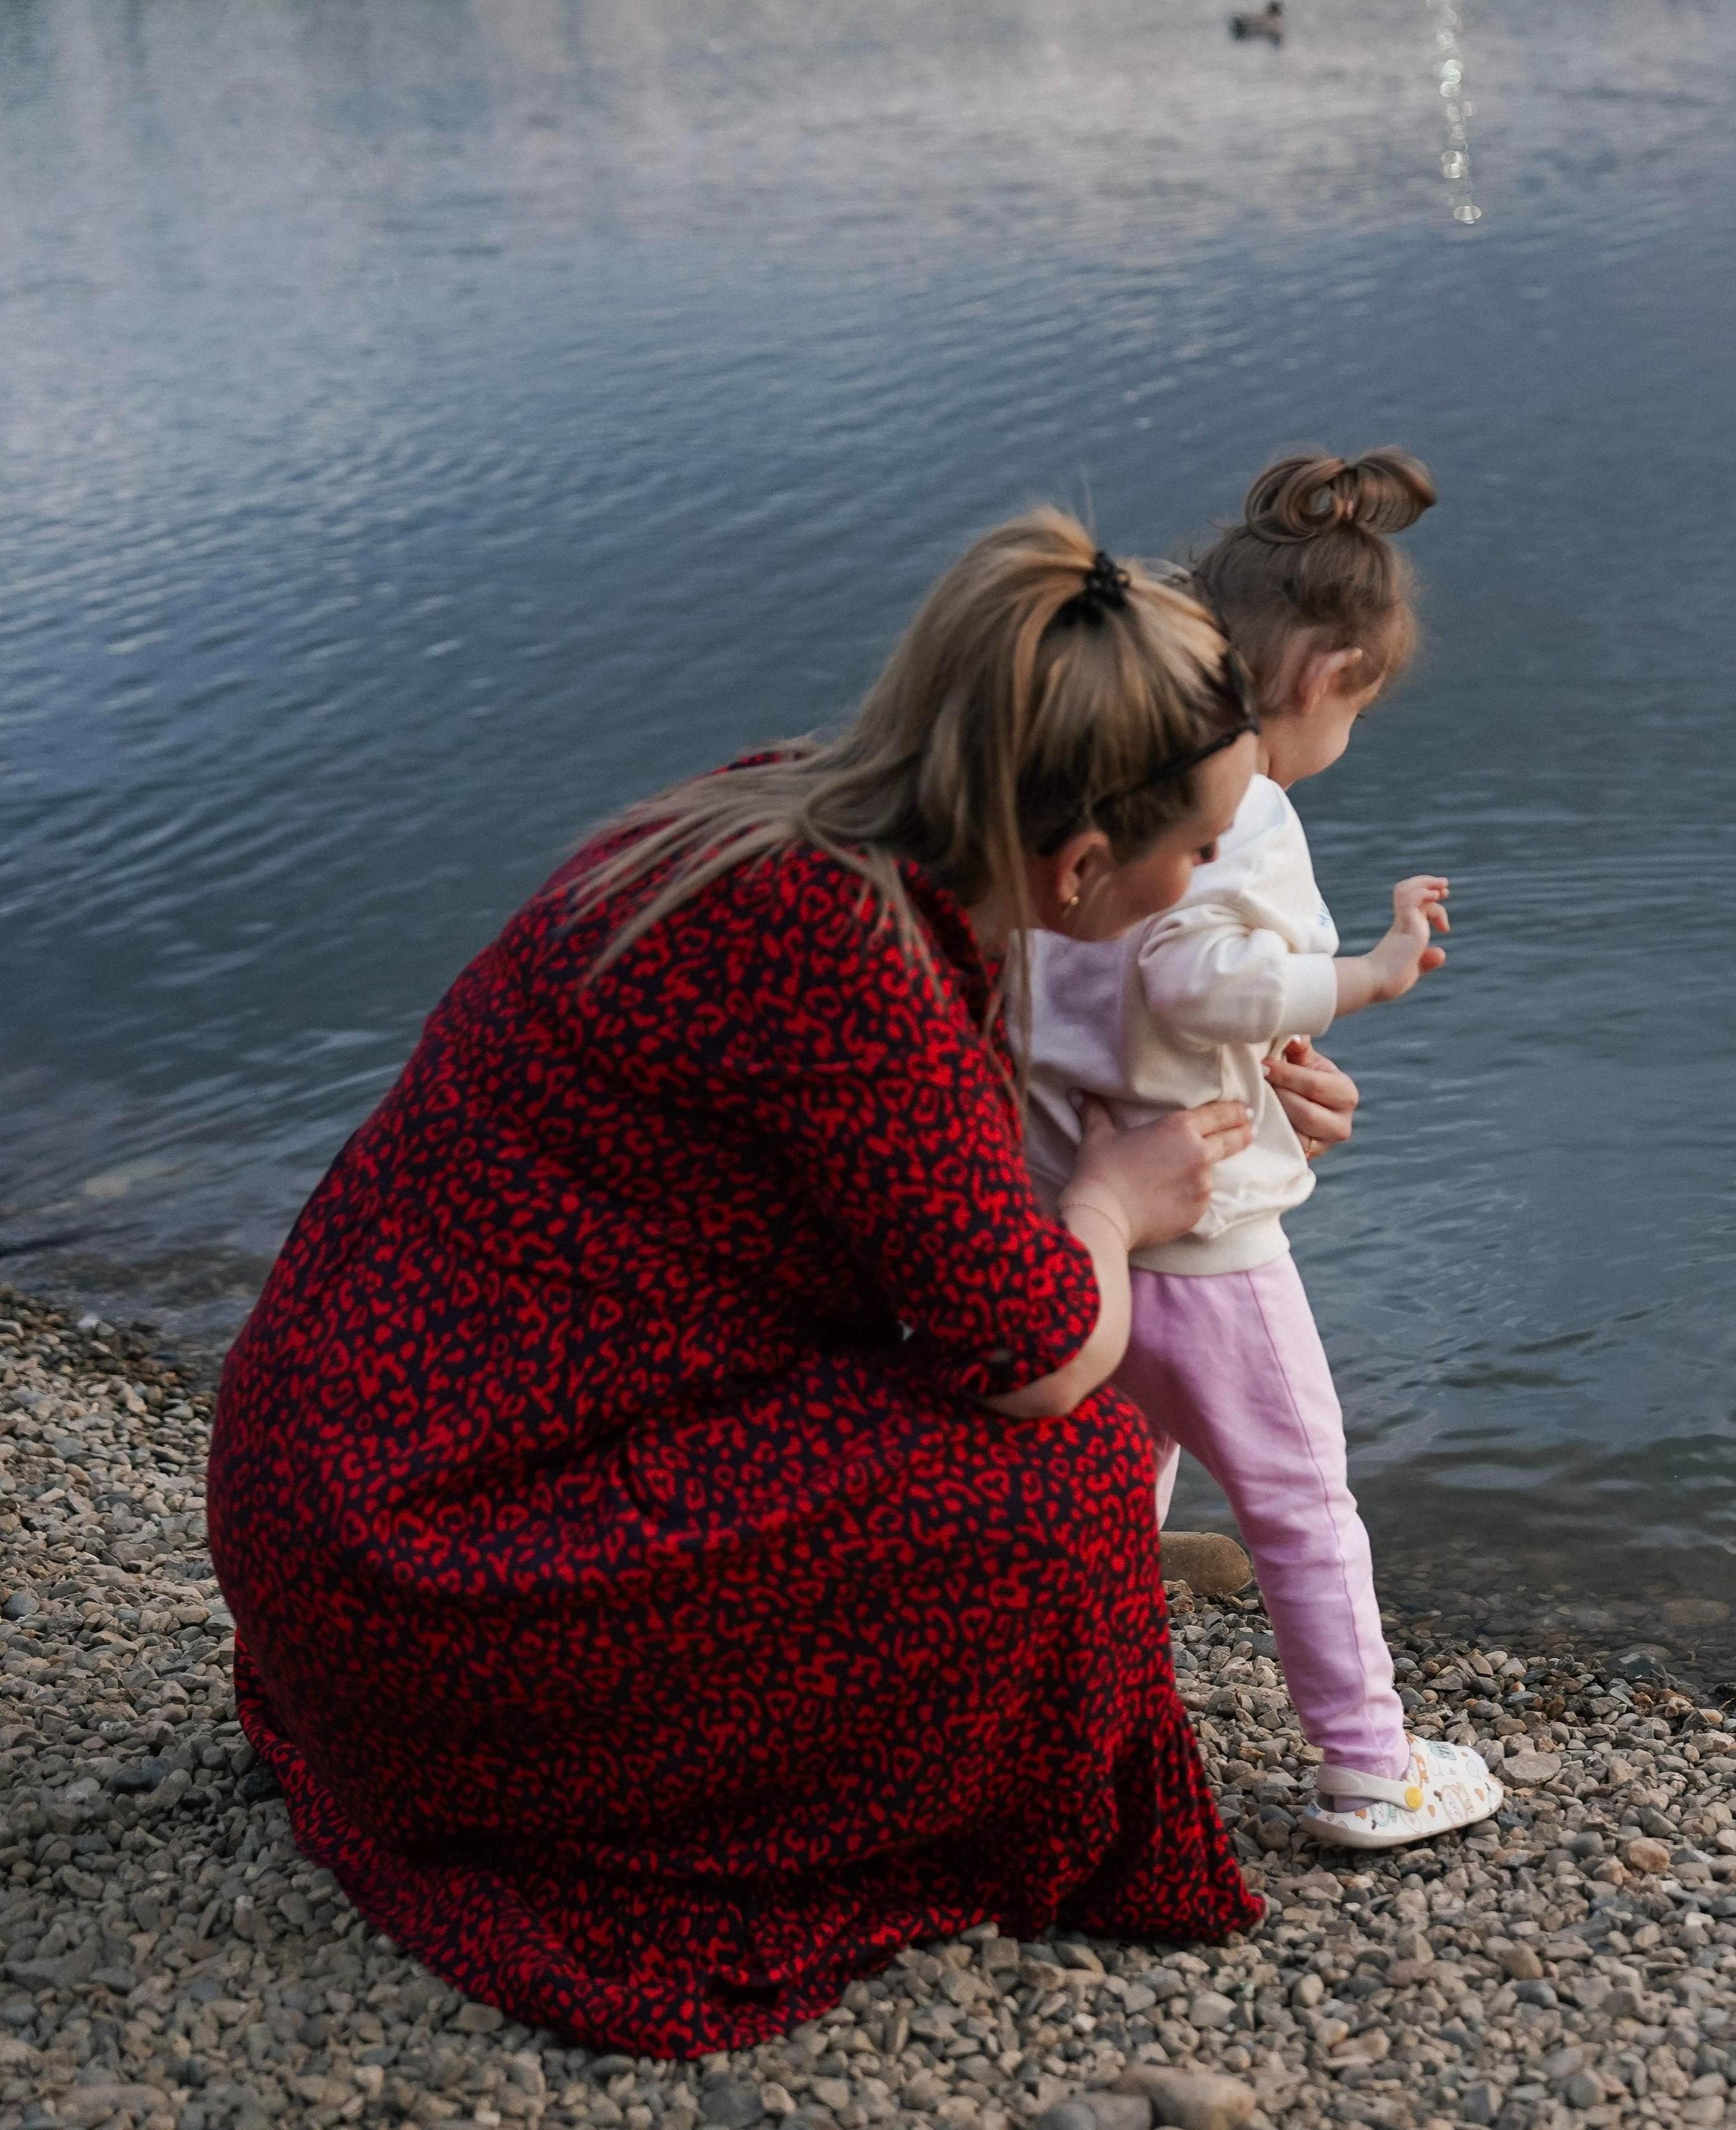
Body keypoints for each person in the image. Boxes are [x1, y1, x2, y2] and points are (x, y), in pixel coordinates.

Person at [204, 508, 1301, 2057]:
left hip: (320, 1499)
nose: (1209, 877)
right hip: (422, 1581)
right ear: (1076, 867)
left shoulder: (779, 821)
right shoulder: (852, 959)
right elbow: (1041, 1353)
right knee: (1071, 1480)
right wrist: (1113, 1207)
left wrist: (1250, 1079)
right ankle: (735, 1801)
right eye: (1199, 849)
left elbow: (935, 1155)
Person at [1023, 449, 1498, 1851]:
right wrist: (1365, 977)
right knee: (1300, 1498)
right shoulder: (1242, 810)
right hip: (1208, 1240)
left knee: (1115, 1492)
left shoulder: (1082, 781)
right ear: (1328, 675)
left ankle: (1073, 1725)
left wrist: (1279, 1063)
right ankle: (1370, 1765)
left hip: (1078, 1218)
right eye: (1362, 704)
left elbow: (1121, 999)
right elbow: (1194, 979)